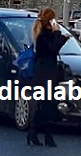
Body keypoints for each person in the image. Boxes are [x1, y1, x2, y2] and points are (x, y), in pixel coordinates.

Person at [26, 8, 70, 147]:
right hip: (46, 73)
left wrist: (62, 37)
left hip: (44, 72)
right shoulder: (45, 36)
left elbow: (54, 47)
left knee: (46, 104)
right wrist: (59, 33)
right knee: (46, 104)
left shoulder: (42, 35)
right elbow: (53, 48)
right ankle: (39, 133)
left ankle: (41, 134)